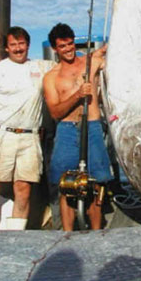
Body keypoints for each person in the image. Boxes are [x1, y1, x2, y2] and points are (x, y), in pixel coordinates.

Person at [0, 27, 55, 230]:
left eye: (22, 44)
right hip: (1, 136)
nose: (18, 49)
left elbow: (72, 67)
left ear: (28, 45)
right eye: (13, 45)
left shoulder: (42, 67)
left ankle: (13, 240)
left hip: (30, 138)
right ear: (6, 48)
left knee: (23, 190)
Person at [43, 23, 113, 231]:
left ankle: (97, 232)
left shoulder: (92, 62)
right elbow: (55, 112)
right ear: (55, 49)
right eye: (62, 46)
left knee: (97, 183)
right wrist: (77, 96)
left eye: (70, 44)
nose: (68, 49)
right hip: (66, 130)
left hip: (92, 127)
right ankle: (67, 235)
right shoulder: (51, 77)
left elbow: (115, 48)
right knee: (66, 184)